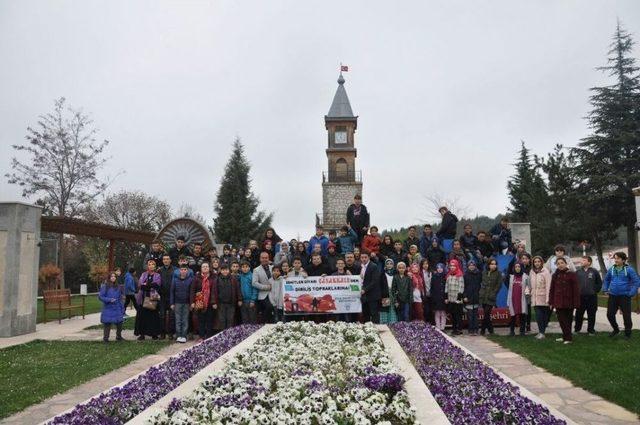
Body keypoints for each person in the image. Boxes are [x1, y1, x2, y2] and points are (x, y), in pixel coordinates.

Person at [603, 251, 640, 339]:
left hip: (625, 296)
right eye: (615, 258)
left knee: (626, 316)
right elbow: (606, 280)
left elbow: (636, 282)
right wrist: (605, 289)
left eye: (618, 258)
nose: (615, 260)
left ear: (623, 260)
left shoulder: (629, 270)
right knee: (610, 314)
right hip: (613, 295)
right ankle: (616, 329)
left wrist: (631, 293)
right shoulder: (611, 269)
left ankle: (628, 333)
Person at [549, 257, 580, 344]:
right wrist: (551, 301)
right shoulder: (555, 275)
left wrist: (576, 303)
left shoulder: (572, 274)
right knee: (561, 320)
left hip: (569, 301)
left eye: (562, 263)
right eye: (558, 264)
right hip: (558, 301)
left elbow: (576, 290)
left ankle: (568, 338)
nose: (560, 265)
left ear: (566, 264)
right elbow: (552, 289)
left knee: (568, 320)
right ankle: (565, 336)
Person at [135, 259, 162, 340]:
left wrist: (147, 285)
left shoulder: (157, 275)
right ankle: (142, 334)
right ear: (147, 266)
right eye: (149, 264)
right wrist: (149, 285)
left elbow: (157, 285)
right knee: (142, 317)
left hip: (152, 298)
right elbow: (140, 285)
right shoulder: (143, 274)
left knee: (153, 317)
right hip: (143, 298)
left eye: (153, 264)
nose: (151, 266)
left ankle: (154, 334)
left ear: (155, 266)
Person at [574, 256, 603, 336]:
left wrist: (595, 290)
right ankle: (577, 329)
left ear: (589, 262)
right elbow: (574, 284)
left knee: (591, 314)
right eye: (581, 260)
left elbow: (599, 283)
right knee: (579, 314)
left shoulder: (594, 271)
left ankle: (591, 330)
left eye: (583, 260)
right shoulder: (578, 272)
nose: (581, 261)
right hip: (581, 297)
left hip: (592, 297)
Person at [190, 262, 218, 340]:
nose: (205, 268)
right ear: (201, 269)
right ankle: (201, 336)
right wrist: (192, 302)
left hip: (210, 302)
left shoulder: (214, 277)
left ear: (209, 268)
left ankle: (209, 336)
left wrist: (215, 302)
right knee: (201, 320)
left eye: (206, 266)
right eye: (203, 267)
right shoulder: (196, 278)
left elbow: (216, 290)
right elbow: (192, 290)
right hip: (200, 302)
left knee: (210, 320)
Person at [530, 256, 552, 339]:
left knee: (544, 316)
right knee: (538, 316)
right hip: (535, 298)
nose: (537, 263)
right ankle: (541, 332)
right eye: (535, 262)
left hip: (543, 297)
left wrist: (548, 298)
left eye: (538, 261)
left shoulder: (545, 272)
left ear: (542, 262)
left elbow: (548, 286)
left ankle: (542, 332)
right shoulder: (531, 272)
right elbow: (530, 283)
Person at [99, 272, 124, 342]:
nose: (113, 278)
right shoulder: (105, 286)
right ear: (109, 278)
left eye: (114, 276)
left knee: (120, 323)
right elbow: (100, 297)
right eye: (111, 276)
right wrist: (109, 300)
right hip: (108, 308)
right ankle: (105, 338)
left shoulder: (118, 287)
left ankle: (119, 337)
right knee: (107, 324)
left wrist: (122, 308)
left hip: (117, 307)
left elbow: (120, 298)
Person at [170, 264, 193, 343]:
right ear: (179, 270)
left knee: (185, 320)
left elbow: (191, 292)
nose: (183, 271)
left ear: (187, 271)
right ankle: (178, 335)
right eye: (182, 269)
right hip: (177, 303)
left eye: (185, 270)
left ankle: (184, 335)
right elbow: (172, 292)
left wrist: (191, 303)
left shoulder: (190, 279)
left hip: (186, 303)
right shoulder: (175, 279)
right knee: (178, 319)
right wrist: (172, 303)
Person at [216, 264, 242, 330]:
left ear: (229, 270)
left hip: (231, 303)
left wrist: (239, 299)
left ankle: (229, 333)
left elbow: (238, 289)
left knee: (230, 319)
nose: (225, 271)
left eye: (226, 270)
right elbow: (214, 291)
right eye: (223, 270)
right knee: (222, 319)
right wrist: (214, 302)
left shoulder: (233, 279)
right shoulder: (217, 279)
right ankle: (223, 333)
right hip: (221, 303)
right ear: (221, 271)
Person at [479, 258, 501, 335]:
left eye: (495, 264)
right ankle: (491, 330)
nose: (493, 265)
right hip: (483, 295)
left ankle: (482, 330)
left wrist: (493, 293)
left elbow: (498, 286)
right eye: (492, 264)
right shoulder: (484, 272)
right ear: (488, 265)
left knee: (487, 313)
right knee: (486, 314)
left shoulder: (498, 273)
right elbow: (481, 282)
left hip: (491, 297)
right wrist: (481, 292)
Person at [507, 263, 530, 336]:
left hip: (522, 299)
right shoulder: (511, 277)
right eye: (516, 266)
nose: (517, 268)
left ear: (521, 268)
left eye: (519, 266)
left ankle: (522, 331)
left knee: (522, 315)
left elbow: (529, 287)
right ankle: (512, 331)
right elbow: (509, 289)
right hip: (513, 299)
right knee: (513, 315)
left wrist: (527, 292)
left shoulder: (525, 277)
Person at [360, 252, 383, 323]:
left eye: (365, 257)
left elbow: (374, 281)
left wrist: (365, 290)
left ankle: (376, 330)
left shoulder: (373, 266)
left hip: (373, 295)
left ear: (369, 257)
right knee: (365, 314)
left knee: (374, 314)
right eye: (362, 257)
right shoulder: (360, 266)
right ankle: (367, 331)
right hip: (364, 295)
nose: (363, 259)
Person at [252, 251, 274, 323]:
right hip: (263, 295)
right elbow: (254, 283)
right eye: (263, 258)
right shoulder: (256, 270)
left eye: (266, 258)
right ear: (260, 259)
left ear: (268, 258)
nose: (265, 259)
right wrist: (266, 287)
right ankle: (265, 325)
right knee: (269, 308)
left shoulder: (273, 268)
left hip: (274, 293)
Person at [158, 254, 176, 339]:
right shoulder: (159, 270)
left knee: (172, 315)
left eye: (167, 259)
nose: (166, 260)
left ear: (170, 260)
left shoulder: (175, 270)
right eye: (164, 259)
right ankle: (162, 333)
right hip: (162, 296)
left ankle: (171, 333)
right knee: (162, 315)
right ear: (162, 261)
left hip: (172, 296)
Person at [445, 259, 465, 335]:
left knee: (458, 315)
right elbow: (446, 286)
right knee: (452, 314)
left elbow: (461, 286)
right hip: (450, 299)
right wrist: (446, 297)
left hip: (457, 300)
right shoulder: (448, 275)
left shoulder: (460, 275)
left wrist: (459, 298)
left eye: (454, 266)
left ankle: (459, 329)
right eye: (451, 266)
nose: (452, 267)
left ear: (457, 266)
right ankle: (454, 328)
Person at [463, 260, 482, 335]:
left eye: (473, 265)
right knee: (470, 315)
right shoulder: (465, 275)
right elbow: (463, 286)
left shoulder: (478, 274)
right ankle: (470, 330)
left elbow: (481, 285)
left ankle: (476, 330)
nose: (471, 266)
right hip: (468, 297)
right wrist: (464, 296)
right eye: (470, 265)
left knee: (475, 315)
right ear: (468, 266)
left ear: (475, 266)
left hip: (476, 297)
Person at [379, 259, 398, 325]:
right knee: (385, 308)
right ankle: (384, 323)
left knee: (392, 308)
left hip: (393, 293)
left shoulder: (396, 274)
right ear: (385, 265)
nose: (389, 265)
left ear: (393, 265)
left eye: (391, 264)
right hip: (385, 294)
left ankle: (392, 323)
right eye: (387, 264)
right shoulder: (382, 274)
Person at [431, 263, 448, 331]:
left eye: (441, 268)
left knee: (443, 313)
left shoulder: (446, 276)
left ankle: (442, 327)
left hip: (443, 297)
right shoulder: (434, 277)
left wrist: (446, 297)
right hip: (436, 297)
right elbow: (432, 288)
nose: (439, 269)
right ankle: (438, 327)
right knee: (437, 313)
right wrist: (433, 297)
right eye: (438, 268)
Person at [419, 259, 432, 323]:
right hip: (424, 294)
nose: (425, 265)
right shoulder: (420, 273)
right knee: (426, 310)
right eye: (424, 264)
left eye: (426, 264)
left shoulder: (430, 272)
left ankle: (431, 323)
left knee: (431, 310)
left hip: (431, 294)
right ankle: (426, 323)